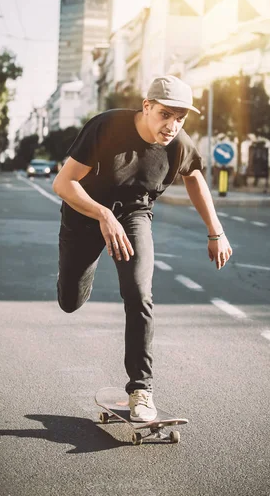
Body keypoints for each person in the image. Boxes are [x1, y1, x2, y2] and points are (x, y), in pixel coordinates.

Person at [52, 75, 232, 422]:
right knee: (70, 302)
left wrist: (216, 232)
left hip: (134, 216)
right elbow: (63, 182)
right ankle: (73, 276)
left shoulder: (179, 143)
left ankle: (141, 389)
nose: (172, 125)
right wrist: (103, 214)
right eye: (165, 114)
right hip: (85, 214)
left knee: (139, 294)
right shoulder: (106, 127)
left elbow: (194, 177)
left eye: (180, 118)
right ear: (147, 106)